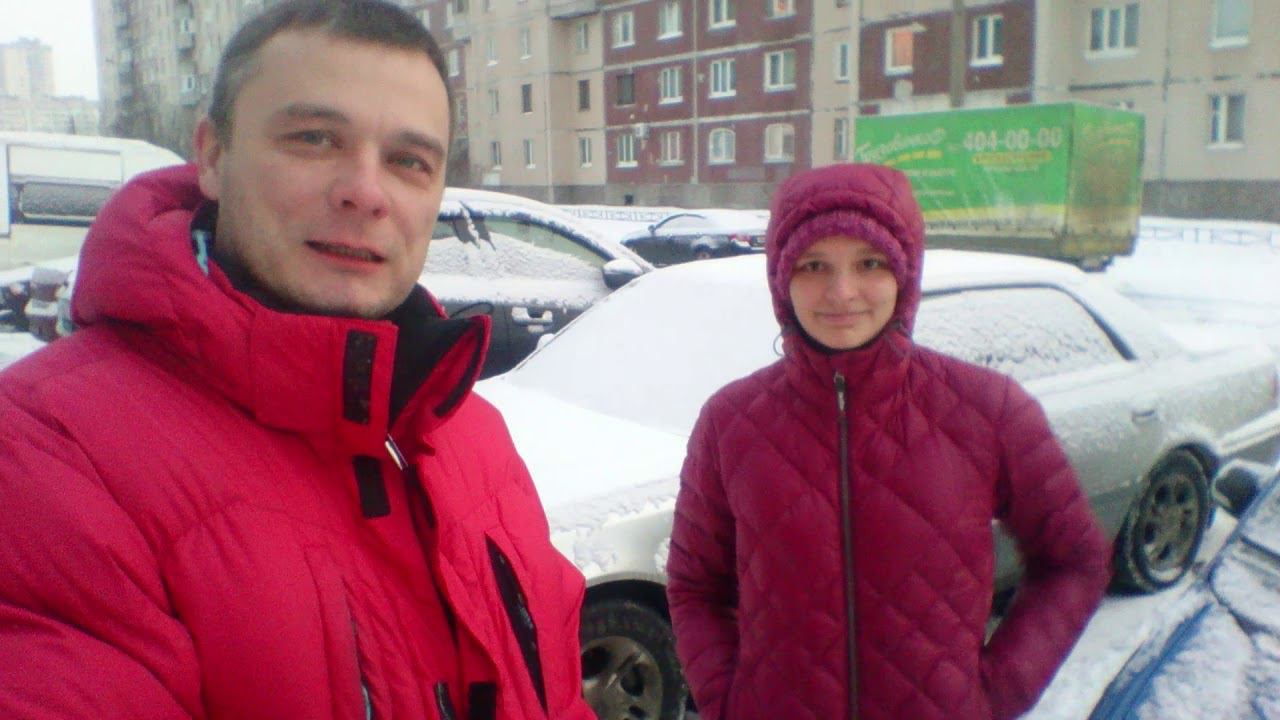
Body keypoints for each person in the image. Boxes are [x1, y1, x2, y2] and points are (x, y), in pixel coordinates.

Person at [0, 2, 594, 718]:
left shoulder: (471, 435)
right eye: (314, 139)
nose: (366, 192)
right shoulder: (44, 455)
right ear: (212, 157)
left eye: (409, 161)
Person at [665, 163, 1112, 720]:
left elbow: (1074, 560)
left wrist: (994, 694)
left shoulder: (988, 409)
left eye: (869, 262)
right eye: (813, 265)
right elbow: (694, 586)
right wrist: (728, 701)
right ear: (781, 280)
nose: (841, 292)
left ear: (905, 272)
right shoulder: (730, 422)